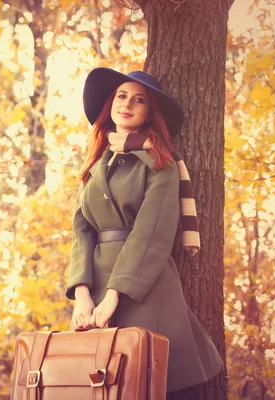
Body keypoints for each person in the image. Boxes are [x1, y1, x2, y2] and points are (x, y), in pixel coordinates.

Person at [65, 67, 224, 393]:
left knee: (146, 383)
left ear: (149, 112)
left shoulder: (160, 163)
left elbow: (152, 232)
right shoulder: (93, 166)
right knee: (96, 385)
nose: (127, 104)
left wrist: (114, 296)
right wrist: (82, 295)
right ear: (110, 104)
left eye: (139, 100)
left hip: (145, 287)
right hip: (93, 294)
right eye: (121, 96)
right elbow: (81, 232)